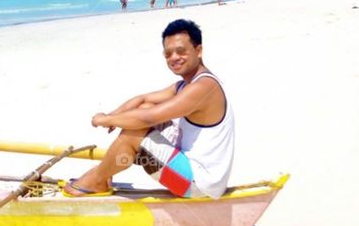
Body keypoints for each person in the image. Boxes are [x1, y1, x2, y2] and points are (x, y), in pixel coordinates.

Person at [63, 19, 235, 199]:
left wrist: (104, 120)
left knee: (134, 132)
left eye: (181, 51)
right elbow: (142, 100)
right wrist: (113, 115)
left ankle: (97, 179)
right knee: (143, 110)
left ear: (198, 51)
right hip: (195, 173)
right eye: (168, 54)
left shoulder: (204, 87)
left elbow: (148, 118)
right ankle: (106, 170)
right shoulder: (185, 85)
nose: (174, 58)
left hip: (199, 186)